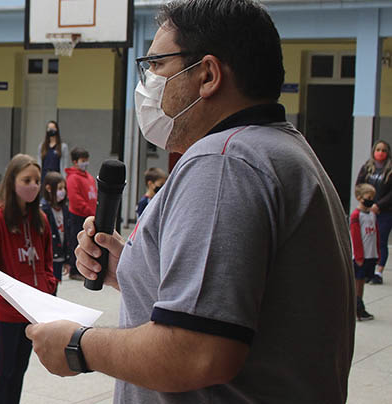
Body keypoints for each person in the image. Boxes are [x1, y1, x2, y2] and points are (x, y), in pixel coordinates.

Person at [25, 1, 355, 403]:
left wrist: (78, 346)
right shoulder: (281, 149)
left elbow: (198, 352)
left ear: (208, 75)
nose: (148, 83)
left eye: (157, 65)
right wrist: (134, 270)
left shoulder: (224, 161)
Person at [0, 154, 56, 404]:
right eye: (26, 180)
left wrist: (48, 288)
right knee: (5, 367)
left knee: (20, 368)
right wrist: (12, 296)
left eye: (36, 180)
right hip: (7, 311)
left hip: (34, 310)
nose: (33, 186)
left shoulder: (41, 219)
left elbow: (47, 261)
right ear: (12, 182)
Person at [356, 140, 392, 285]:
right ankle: (367, 270)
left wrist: (379, 205)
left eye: (384, 150)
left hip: (385, 211)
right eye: (378, 149)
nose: (381, 153)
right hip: (367, 210)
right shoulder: (367, 167)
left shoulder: (389, 170)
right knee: (367, 240)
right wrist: (365, 203)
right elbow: (359, 185)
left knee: (381, 240)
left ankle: (378, 272)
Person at [64, 147, 96, 281]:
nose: (85, 163)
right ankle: (75, 270)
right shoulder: (73, 178)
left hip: (90, 215)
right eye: (83, 160)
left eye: (86, 160)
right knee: (76, 243)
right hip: (78, 215)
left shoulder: (89, 177)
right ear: (75, 162)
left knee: (88, 243)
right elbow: (75, 199)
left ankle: (85, 268)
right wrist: (88, 210)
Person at [350, 183, 377, 321]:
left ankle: (359, 305)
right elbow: (355, 237)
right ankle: (356, 306)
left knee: (363, 282)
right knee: (358, 281)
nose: (371, 200)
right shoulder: (356, 216)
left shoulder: (372, 214)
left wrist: (376, 252)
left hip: (370, 254)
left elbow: (375, 234)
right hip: (361, 255)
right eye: (369, 197)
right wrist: (359, 255)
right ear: (359, 198)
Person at [40, 171, 70, 289]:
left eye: (64, 188)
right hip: (48, 257)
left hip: (60, 256)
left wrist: (67, 260)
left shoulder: (64, 209)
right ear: (48, 188)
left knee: (54, 288)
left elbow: (68, 234)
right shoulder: (43, 210)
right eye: (59, 188)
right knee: (46, 289)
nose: (63, 191)